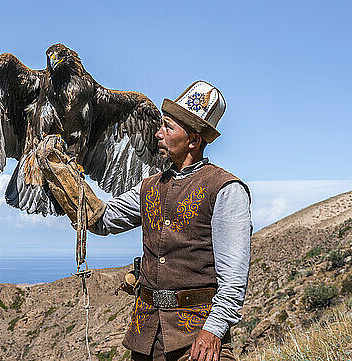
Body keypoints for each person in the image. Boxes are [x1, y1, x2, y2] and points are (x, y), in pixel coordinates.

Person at [37, 81, 251, 361]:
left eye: (167, 127)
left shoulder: (225, 189)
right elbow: (102, 219)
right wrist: (63, 178)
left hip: (198, 339)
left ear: (193, 140)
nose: (158, 134)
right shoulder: (148, 187)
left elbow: (233, 279)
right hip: (145, 337)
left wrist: (213, 332)